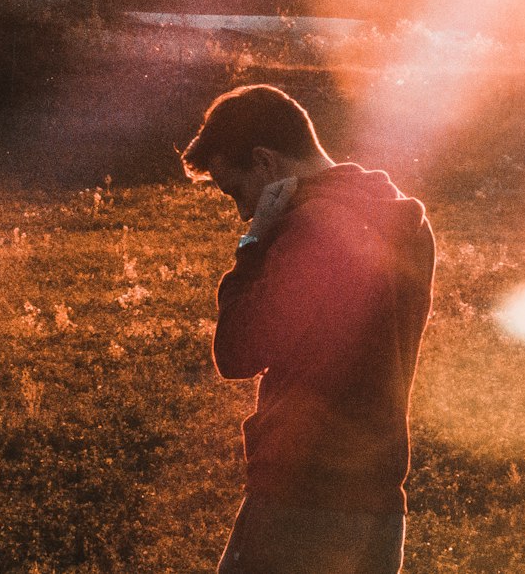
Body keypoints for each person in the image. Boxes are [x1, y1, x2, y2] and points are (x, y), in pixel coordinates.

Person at [180, 83, 435, 574]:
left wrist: (253, 243)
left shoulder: (313, 228)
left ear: (265, 163)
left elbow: (236, 352)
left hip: (300, 502)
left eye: (235, 190)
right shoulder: (406, 221)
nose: (241, 211)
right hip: (379, 506)